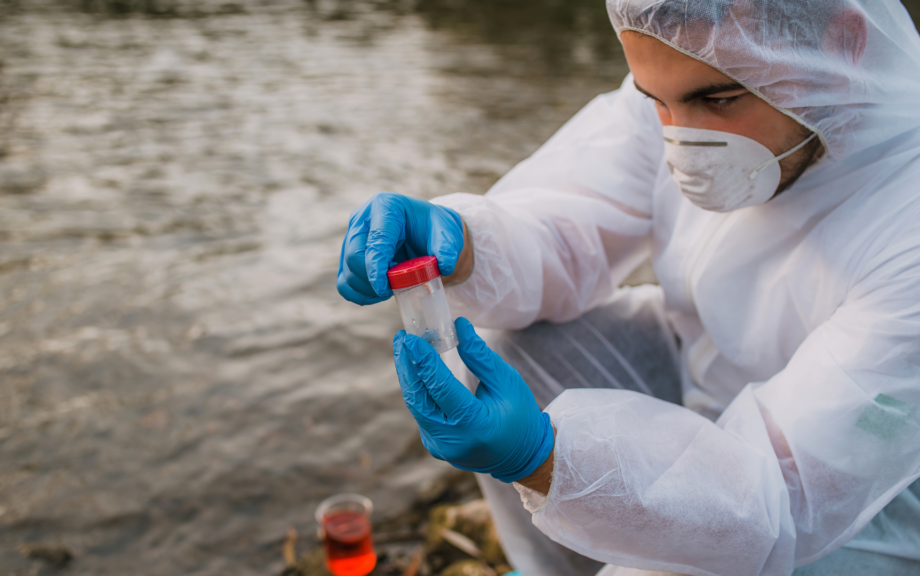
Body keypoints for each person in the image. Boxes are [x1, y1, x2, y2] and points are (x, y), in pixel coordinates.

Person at [337, 1, 920, 574]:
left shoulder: (906, 218)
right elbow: (571, 224)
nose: (683, 142)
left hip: (861, 500)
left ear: (843, 42)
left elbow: (784, 499)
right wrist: (460, 242)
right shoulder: (680, 79)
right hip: (702, 373)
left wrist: (545, 460)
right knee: (513, 347)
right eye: (655, 101)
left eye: (718, 98)